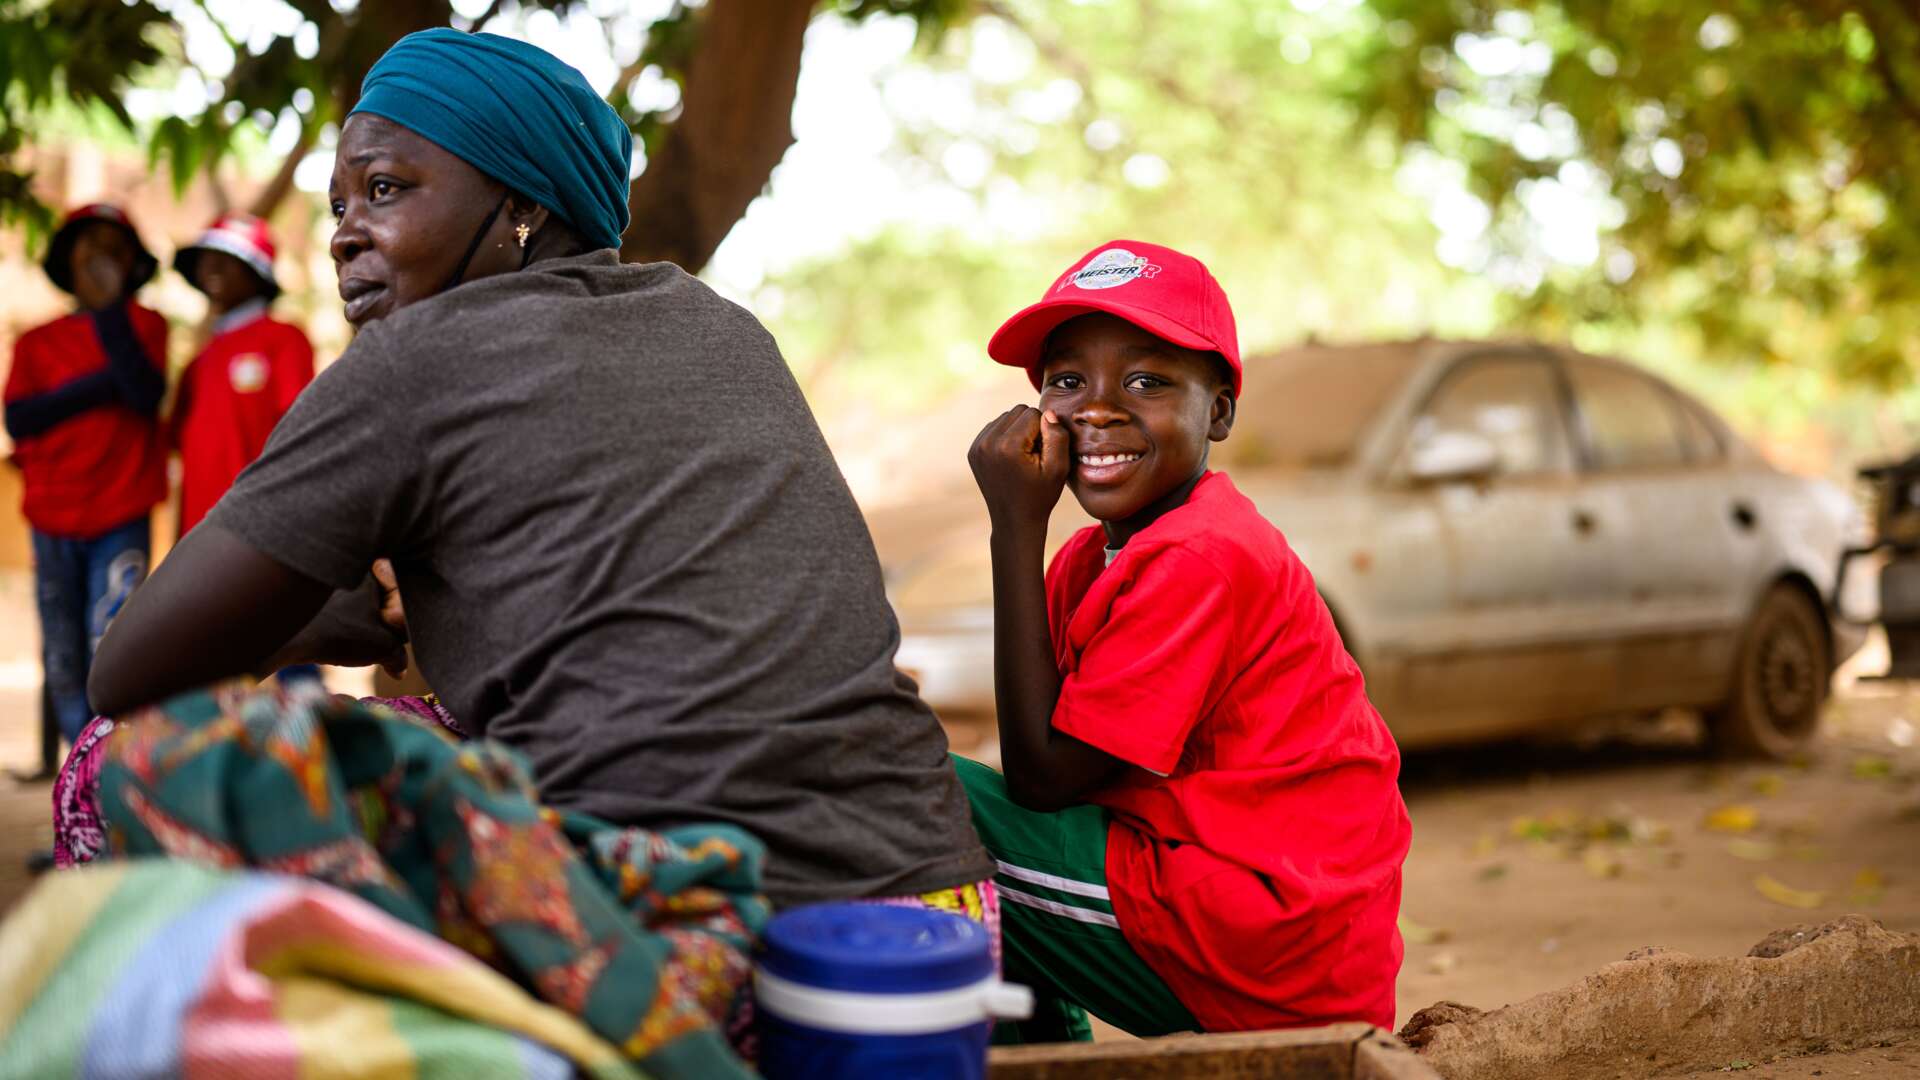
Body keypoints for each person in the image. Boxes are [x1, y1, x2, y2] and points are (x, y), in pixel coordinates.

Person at [86, 30, 993, 919]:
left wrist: (309, 626)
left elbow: (127, 676)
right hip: (932, 913)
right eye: (339, 208)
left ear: (521, 205)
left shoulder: (413, 361)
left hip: (675, 935)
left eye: (386, 190)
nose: (346, 237)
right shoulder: (720, 326)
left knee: (112, 761)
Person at [960, 240, 1411, 1041]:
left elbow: (1042, 779)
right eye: (1067, 382)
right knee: (948, 809)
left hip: (1274, 943)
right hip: (1221, 895)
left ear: (1222, 411)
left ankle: (1033, 1050)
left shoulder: (1201, 555)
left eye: (1147, 380)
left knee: (933, 802)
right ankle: (1042, 1052)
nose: (1097, 408)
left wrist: (1012, 526)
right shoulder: (1094, 558)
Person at [4, 203, 167, 751]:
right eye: (86, 243)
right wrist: (101, 387)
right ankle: (80, 779)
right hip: (51, 517)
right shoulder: (36, 342)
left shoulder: (145, 325)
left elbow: (143, 392)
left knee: (114, 650)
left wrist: (108, 312)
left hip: (120, 513)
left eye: (112, 246)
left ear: (132, 264)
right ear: (64, 259)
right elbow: (19, 418)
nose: (98, 255)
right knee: (63, 654)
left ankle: (115, 777)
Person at [170, 212, 314, 537]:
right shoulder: (201, 357)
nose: (212, 268)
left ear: (257, 273)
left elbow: (297, 428)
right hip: (197, 529)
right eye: (207, 258)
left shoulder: (284, 338)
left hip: (257, 527)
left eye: (228, 259)